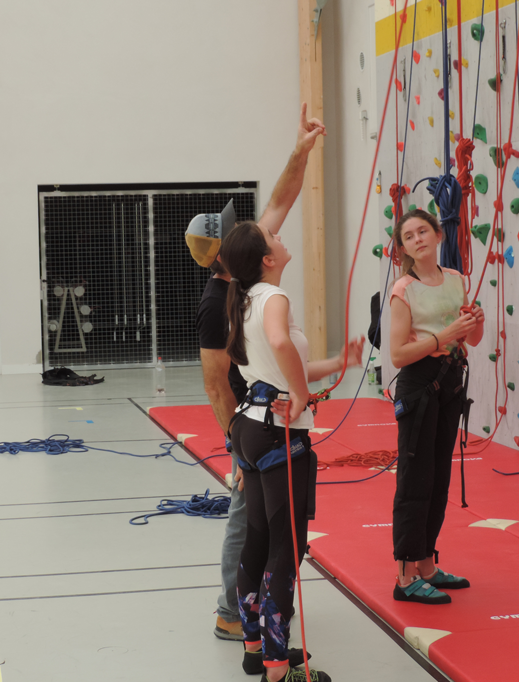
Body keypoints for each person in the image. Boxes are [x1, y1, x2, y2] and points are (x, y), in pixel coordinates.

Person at [186, 103, 327, 642]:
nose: (255, 225)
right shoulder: (216, 301)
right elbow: (214, 381)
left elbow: (282, 198)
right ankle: (231, 609)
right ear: (233, 252)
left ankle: (249, 614)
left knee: (261, 523)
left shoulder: (244, 262)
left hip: (272, 412)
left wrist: (301, 149)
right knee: (248, 518)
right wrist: (234, 450)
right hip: (257, 422)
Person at [222, 220, 365, 682]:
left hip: (248, 425)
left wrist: (341, 361)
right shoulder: (273, 297)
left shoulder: (245, 299)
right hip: (276, 434)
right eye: (274, 239)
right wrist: (301, 396)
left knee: (260, 539)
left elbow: (279, 359)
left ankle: (254, 648)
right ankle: (278, 669)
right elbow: (283, 348)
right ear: (267, 259)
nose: (280, 238)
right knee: (286, 550)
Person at [388, 208, 485, 604]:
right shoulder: (403, 291)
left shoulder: (457, 280)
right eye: (409, 236)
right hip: (418, 385)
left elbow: (473, 340)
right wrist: (443, 335)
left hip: (449, 382)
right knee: (415, 479)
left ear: (438, 235)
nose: (417, 239)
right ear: (403, 248)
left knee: (439, 477)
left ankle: (426, 564)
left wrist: (474, 320)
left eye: (423, 231)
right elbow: (397, 354)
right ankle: (404, 575)